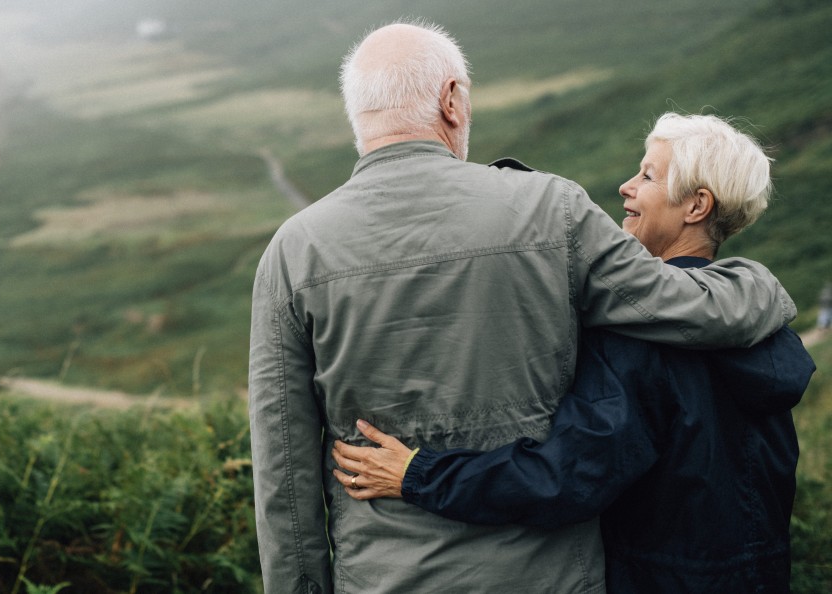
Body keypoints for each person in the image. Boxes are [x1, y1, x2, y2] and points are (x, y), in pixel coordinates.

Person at [249, 21, 798, 594]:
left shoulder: (292, 251)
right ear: (452, 99)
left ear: (357, 114)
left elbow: (283, 471)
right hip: (554, 578)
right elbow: (685, 306)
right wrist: (761, 286)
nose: (628, 187)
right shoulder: (552, 210)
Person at [331, 112, 816, 592]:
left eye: (648, 175)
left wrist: (419, 474)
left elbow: (565, 479)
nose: (627, 187)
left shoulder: (642, 340)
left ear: (696, 206)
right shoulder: (764, 328)